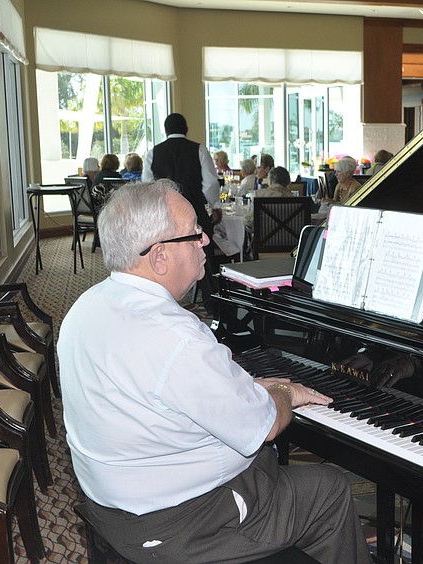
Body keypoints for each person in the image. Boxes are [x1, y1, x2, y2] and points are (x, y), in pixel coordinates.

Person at [58, 180, 371, 564]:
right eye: (194, 232)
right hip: (180, 525)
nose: (206, 239)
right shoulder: (175, 335)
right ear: (159, 256)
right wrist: (286, 394)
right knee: (329, 488)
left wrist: (247, 387)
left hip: (113, 506)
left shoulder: (86, 306)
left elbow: (160, 391)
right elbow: (265, 426)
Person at [142, 113, 220, 313]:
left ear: (166, 130)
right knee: (204, 256)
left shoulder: (153, 153)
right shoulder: (199, 150)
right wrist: (215, 205)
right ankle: (212, 304)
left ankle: (163, 303)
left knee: (163, 256)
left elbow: (147, 186)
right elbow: (210, 184)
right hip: (194, 211)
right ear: (186, 128)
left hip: (163, 216)